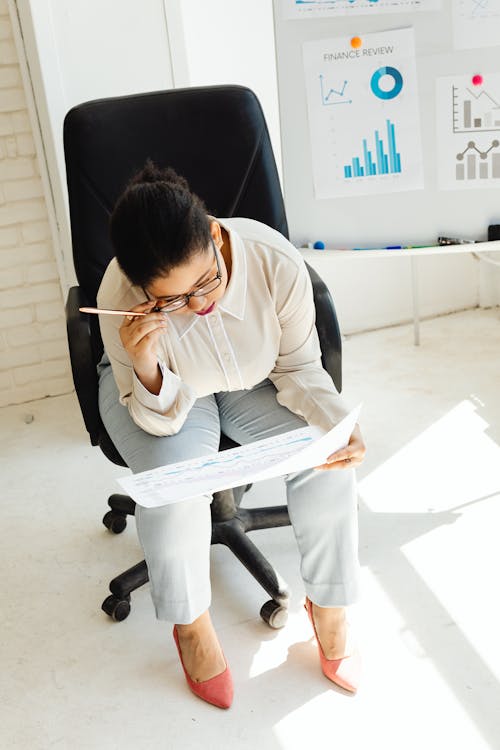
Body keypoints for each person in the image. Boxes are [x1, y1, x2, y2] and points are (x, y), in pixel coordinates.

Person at [97, 161, 366, 709]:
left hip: (257, 379)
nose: (199, 306)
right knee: (172, 486)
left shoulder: (272, 260)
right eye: (173, 299)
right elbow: (159, 419)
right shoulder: (118, 292)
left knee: (327, 454)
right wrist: (145, 358)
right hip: (162, 394)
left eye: (205, 283)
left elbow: (298, 369)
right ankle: (191, 625)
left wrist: (338, 422)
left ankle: (330, 606)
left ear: (216, 237)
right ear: (141, 287)